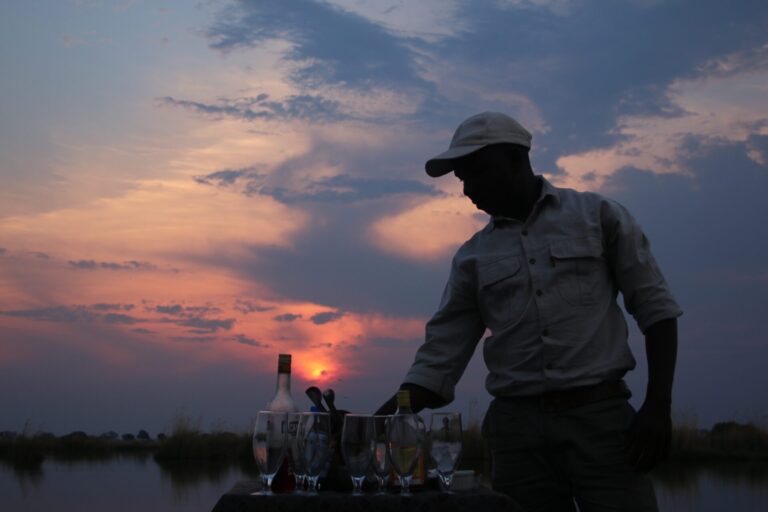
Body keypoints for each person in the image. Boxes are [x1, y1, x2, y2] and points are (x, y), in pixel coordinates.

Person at [376, 112, 681, 511]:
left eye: (476, 172)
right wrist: (375, 424)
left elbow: (656, 309)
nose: (467, 189)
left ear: (516, 159)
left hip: (602, 423)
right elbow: (438, 359)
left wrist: (658, 407)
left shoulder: (598, 216)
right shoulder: (471, 258)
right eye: (461, 178)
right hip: (516, 436)